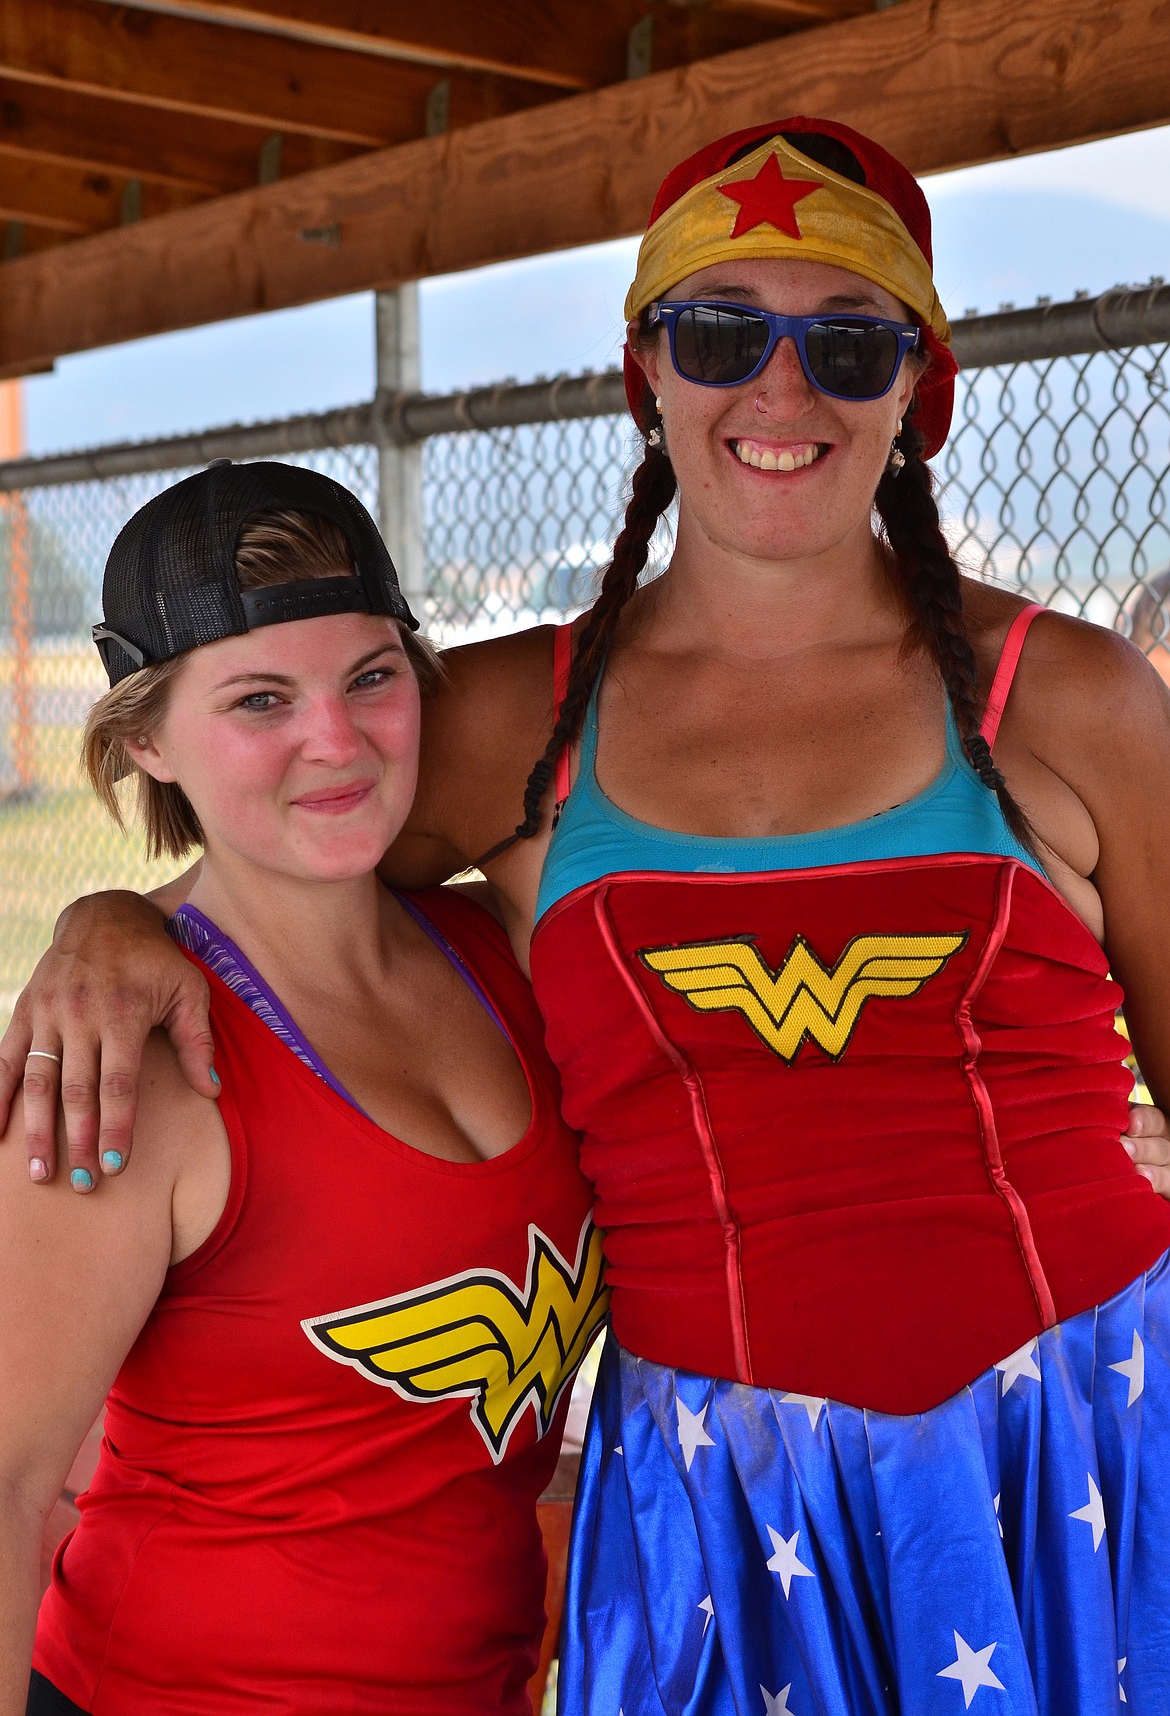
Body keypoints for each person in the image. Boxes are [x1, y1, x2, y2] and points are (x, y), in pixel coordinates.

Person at [6, 119, 1170, 1712]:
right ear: (644, 372)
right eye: (718, 334)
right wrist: (114, 924)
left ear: (921, 385)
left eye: (844, 343)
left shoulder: (1074, 695)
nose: (779, 392)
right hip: (720, 1496)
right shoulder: (505, 723)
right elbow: (266, 839)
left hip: (1073, 1450)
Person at [0, 461, 606, 1716]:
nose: (335, 740)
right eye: (260, 698)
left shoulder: (514, 947)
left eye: (372, 678)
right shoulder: (132, 1060)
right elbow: (7, 1483)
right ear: (145, 738)